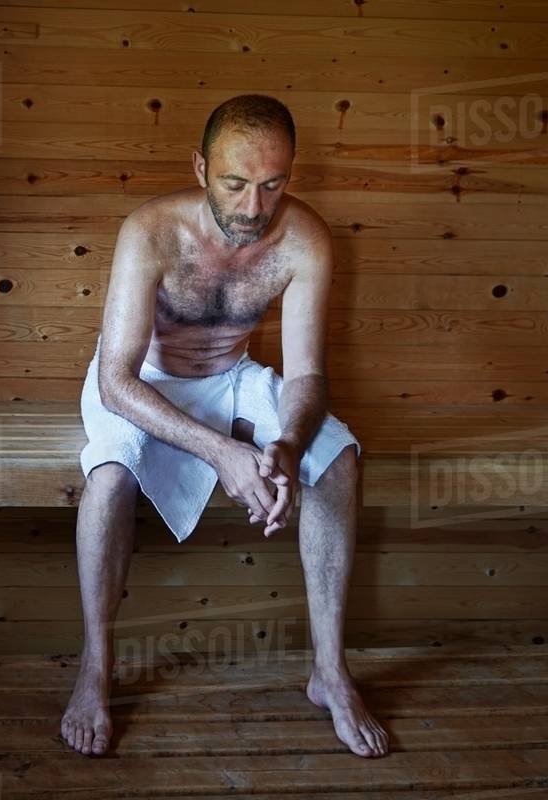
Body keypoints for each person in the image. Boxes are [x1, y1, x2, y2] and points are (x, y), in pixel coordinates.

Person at [60, 94, 389, 759]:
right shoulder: (150, 231)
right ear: (200, 168)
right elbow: (115, 381)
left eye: (272, 185)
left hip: (232, 374)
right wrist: (225, 454)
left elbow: (304, 377)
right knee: (110, 479)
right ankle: (95, 668)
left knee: (339, 457)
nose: (251, 207)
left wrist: (287, 449)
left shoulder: (305, 239)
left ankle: (330, 671)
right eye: (235, 183)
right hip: (142, 381)